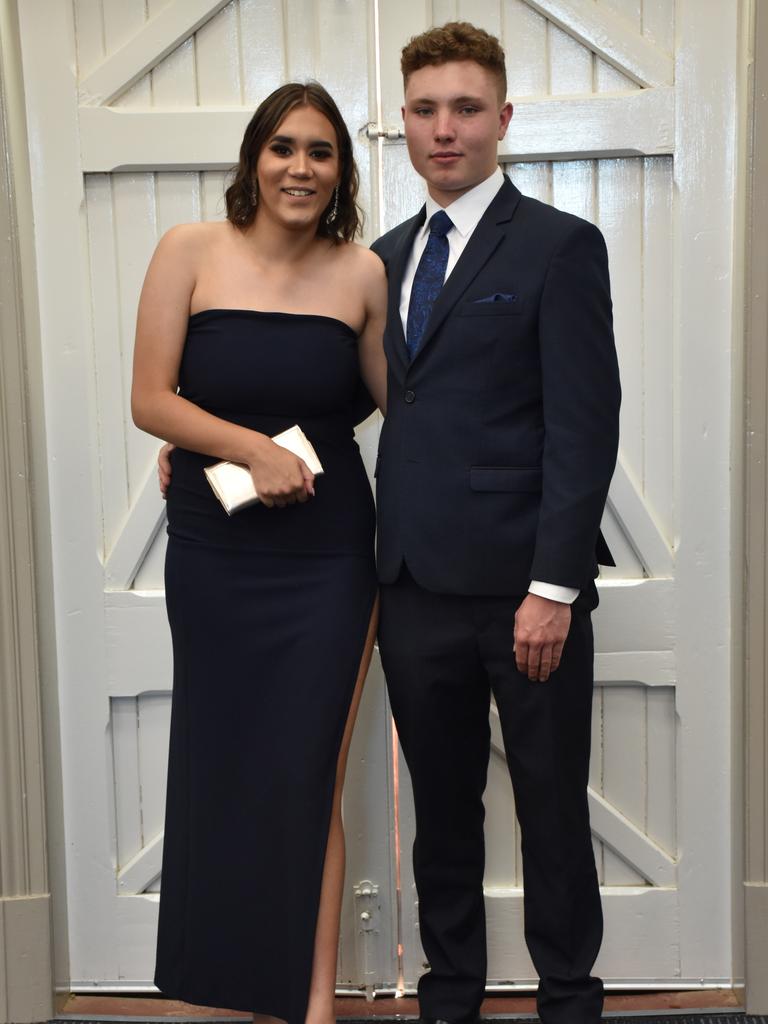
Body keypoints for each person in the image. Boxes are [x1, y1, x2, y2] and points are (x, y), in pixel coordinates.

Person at [372, 22, 620, 1024]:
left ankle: (569, 997)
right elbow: (335, 392)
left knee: (553, 811)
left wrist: (553, 587)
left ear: (503, 118)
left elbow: (584, 425)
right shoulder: (382, 260)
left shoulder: (561, 246)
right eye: (427, 109)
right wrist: (210, 439)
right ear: (404, 121)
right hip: (413, 590)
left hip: (525, 594)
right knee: (442, 816)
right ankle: (450, 995)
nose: (445, 128)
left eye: (466, 107)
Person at [132, 81, 387, 1024]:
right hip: (215, 548)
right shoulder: (188, 251)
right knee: (228, 763)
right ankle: (227, 986)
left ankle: (311, 1004)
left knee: (306, 769)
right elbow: (151, 398)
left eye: (321, 152)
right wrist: (245, 446)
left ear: (340, 173)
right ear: (253, 157)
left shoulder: (362, 273)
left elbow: (408, 405)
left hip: (327, 556)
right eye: (284, 147)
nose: (301, 167)